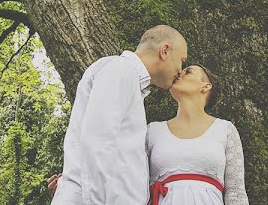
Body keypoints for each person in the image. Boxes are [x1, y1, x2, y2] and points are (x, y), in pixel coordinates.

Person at [48, 25, 188, 205]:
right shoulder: (121, 69)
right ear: (165, 51)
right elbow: (97, 144)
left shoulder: (129, 81)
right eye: (182, 61)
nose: (180, 71)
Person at [145, 64, 248, 205]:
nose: (179, 73)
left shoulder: (225, 130)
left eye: (189, 71)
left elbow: (236, 193)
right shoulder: (153, 131)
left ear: (205, 86)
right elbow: (136, 188)